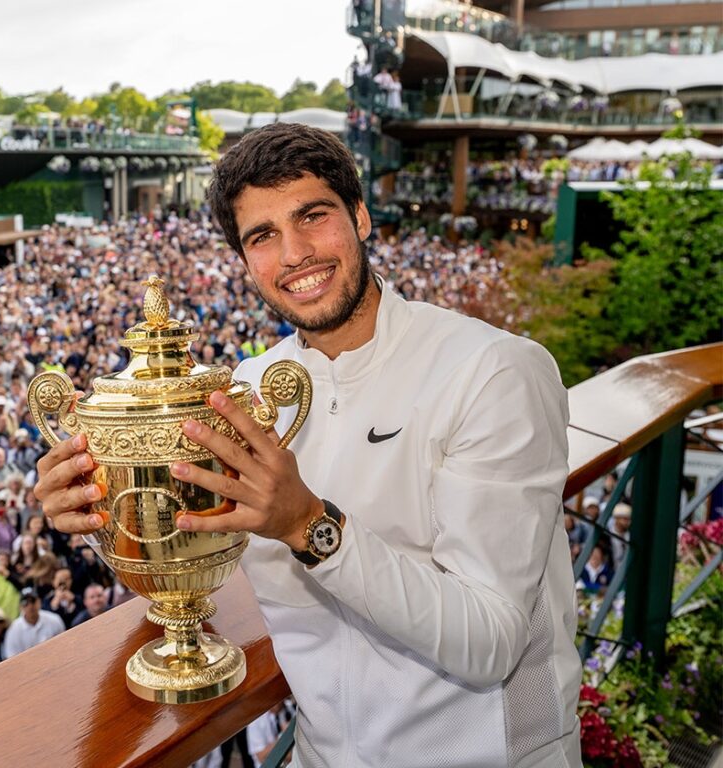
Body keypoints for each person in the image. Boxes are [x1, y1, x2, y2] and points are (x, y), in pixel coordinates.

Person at [35, 122, 582, 766]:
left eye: (312, 216)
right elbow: (190, 563)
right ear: (245, 261)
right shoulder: (240, 393)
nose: (293, 253)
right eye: (262, 236)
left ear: (361, 215)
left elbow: (489, 643)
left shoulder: (494, 370)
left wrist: (307, 524)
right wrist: (105, 507)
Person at [2, 588, 64, 658]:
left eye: (33, 601)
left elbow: (63, 646)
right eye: (25, 603)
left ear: (39, 602)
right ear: (20, 607)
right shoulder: (13, 631)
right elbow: (12, 658)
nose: (30, 606)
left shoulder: (54, 620)